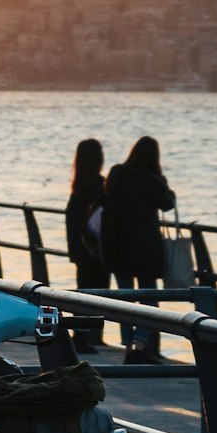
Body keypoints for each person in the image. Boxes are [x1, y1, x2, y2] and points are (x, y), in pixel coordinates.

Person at [101, 136, 176, 362]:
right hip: (145, 247)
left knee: (124, 299)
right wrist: (162, 181)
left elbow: (107, 196)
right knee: (147, 297)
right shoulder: (152, 181)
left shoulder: (116, 174)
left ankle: (127, 346)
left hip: (117, 244)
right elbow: (168, 204)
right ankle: (141, 345)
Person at [64, 138, 109, 352]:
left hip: (79, 247)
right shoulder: (99, 186)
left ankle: (82, 334)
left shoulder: (77, 187)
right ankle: (89, 335)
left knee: (83, 290)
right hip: (96, 248)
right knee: (98, 292)